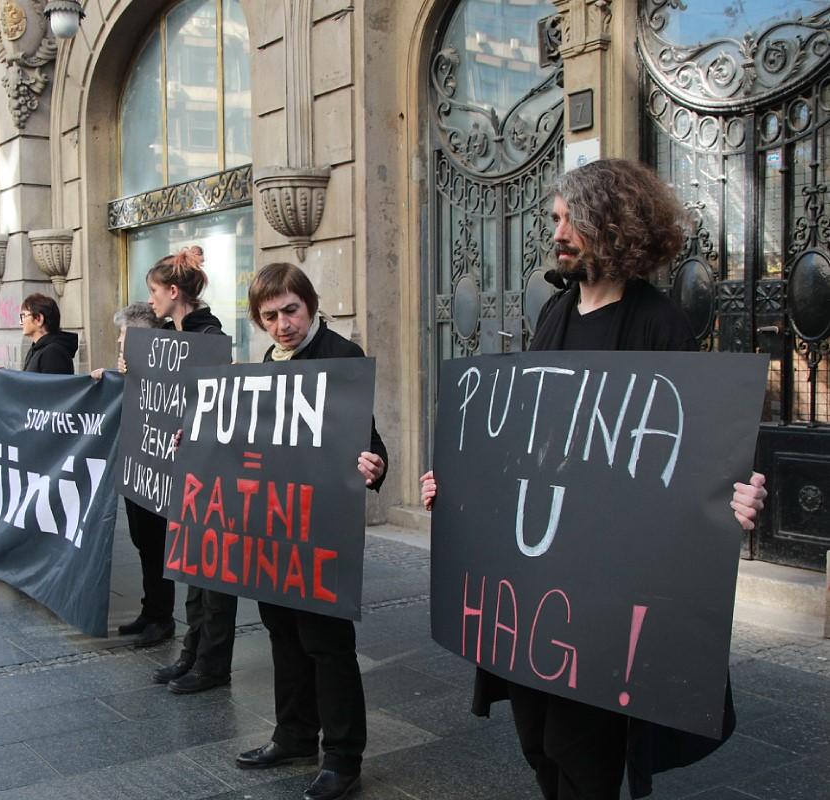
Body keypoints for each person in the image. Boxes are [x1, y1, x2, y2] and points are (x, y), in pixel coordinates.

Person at [420, 159, 767, 800]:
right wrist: (460, 483)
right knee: (536, 739)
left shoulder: (659, 325)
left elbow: (694, 453)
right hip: (538, 584)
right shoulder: (554, 314)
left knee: (581, 749)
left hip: (603, 591)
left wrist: (737, 497)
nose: (556, 232)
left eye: (567, 218)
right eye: (555, 218)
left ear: (612, 224)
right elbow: (524, 436)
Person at [234, 263, 386, 800]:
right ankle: (294, 734)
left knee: (327, 645)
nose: (282, 325)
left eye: (290, 311)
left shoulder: (341, 358)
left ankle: (343, 757)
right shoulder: (264, 364)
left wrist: (375, 466)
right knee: (282, 634)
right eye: (269, 316)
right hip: (273, 529)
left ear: (310, 304)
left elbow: (373, 445)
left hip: (320, 531)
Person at [142, 245, 238, 694]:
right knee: (193, 571)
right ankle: (192, 653)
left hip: (211, 470)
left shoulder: (208, 335)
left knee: (214, 574)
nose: (152, 301)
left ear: (174, 291)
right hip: (182, 470)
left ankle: (212, 663)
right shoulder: (165, 335)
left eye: (156, 292)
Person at [93, 302, 177, 648]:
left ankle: (162, 617)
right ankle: (150, 610)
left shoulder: (171, 359)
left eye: (124, 335)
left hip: (159, 468)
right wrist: (112, 377)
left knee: (157, 544)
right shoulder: (133, 367)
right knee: (144, 542)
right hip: (138, 464)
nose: (119, 342)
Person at [20, 294, 78, 373]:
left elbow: (52, 385)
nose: (20, 322)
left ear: (39, 319)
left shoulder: (53, 352)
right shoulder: (36, 349)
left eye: (23, 316)